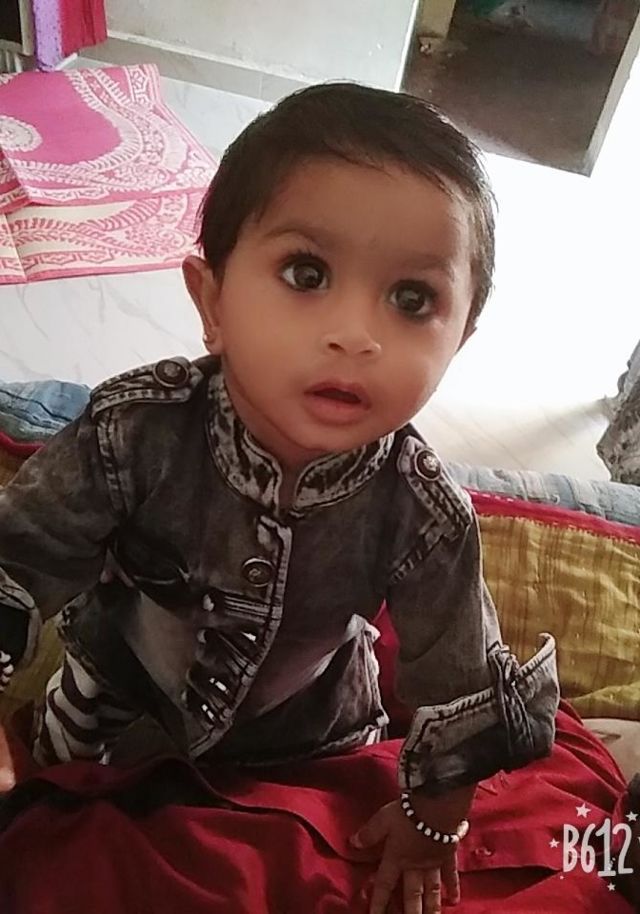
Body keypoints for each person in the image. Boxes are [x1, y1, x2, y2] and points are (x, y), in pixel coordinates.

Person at [0, 83, 559, 914]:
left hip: (312, 731)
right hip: (116, 694)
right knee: (52, 827)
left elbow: (459, 682)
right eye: (307, 273)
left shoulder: (426, 513)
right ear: (212, 300)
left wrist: (435, 821)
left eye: (412, 300)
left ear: (461, 335)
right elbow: (20, 558)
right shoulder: (131, 431)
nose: (355, 335)